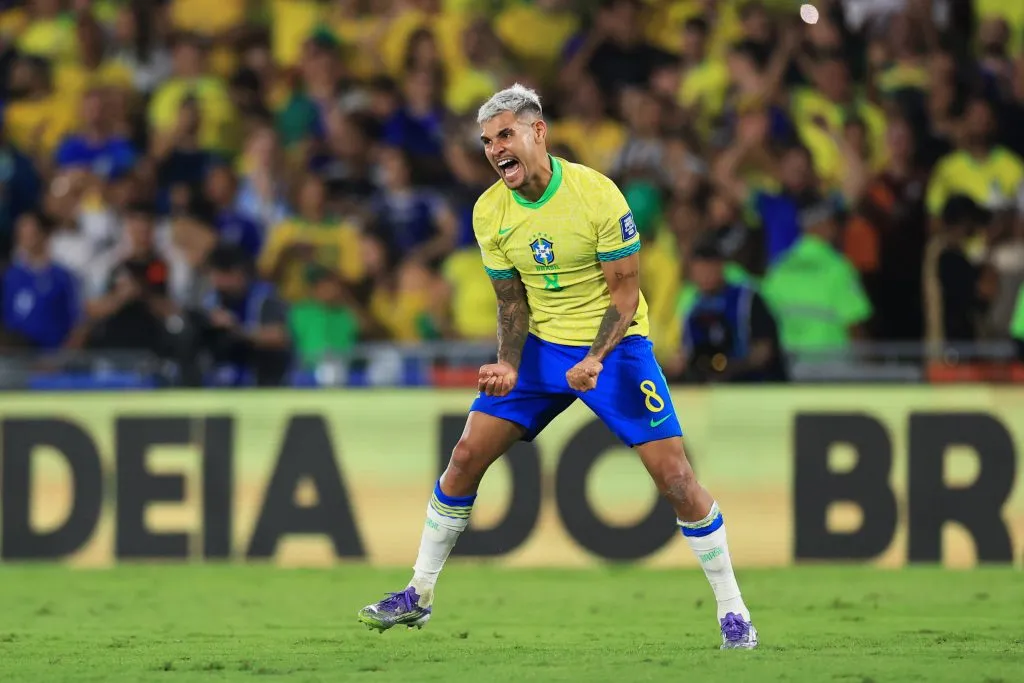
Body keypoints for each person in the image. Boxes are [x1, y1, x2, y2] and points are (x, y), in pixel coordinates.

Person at [358, 84, 758, 650]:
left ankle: (733, 611)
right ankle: (419, 594)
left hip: (615, 347)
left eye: (506, 135)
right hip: (542, 348)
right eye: (486, 141)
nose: (496, 150)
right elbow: (511, 303)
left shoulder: (597, 196)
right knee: (466, 455)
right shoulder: (488, 212)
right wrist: (507, 363)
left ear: (537, 131)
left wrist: (595, 359)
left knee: (675, 478)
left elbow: (624, 297)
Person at [673, 232, 786, 383]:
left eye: (709, 269)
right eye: (700, 271)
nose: (705, 276)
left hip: (750, 385)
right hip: (705, 388)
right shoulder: (691, 306)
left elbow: (765, 350)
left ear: (721, 267)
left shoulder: (746, 299)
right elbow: (686, 352)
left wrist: (731, 368)